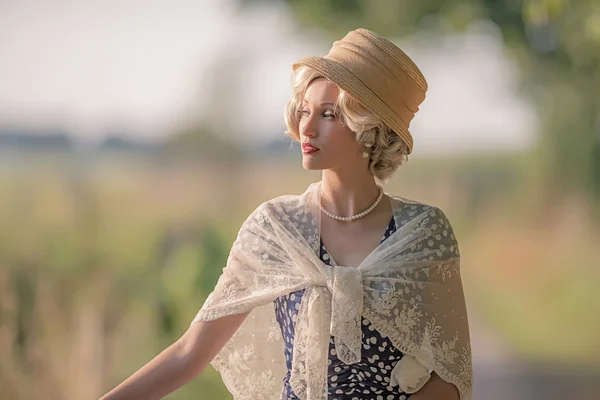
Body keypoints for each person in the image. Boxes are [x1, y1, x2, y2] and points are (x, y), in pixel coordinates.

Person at [101, 28, 472, 400]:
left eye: (328, 114)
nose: (306, 127)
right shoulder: (277, 227)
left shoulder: (422, 232)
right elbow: (189, 353)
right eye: (306, 110)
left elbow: (450, 376)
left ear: (369, 130)